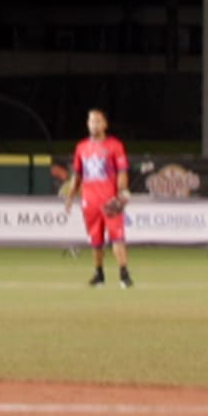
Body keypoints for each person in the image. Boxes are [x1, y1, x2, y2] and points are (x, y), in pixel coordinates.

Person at [69, 109, 133, 288]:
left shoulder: (115, 145)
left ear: (105, 124)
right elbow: (78, 174)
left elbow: (122, 171)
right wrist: (70, 197)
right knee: (95, 240)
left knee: (117, 237)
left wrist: (121, 193)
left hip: (109, 199)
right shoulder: (81, 147)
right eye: (91, 121)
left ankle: (124, 273)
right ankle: (99, 273)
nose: (94, 125)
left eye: (97, 121)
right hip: (89, 200)